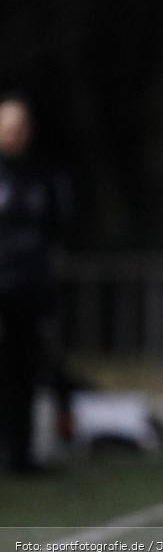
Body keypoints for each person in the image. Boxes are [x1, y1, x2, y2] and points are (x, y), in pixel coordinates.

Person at [0, 92, 68, 474]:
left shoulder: (43, 177)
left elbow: (56, 233)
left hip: (26, 293)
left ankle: (21, 454)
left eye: (19, 126)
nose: (13, 134)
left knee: (23, 373)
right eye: (6, 126)